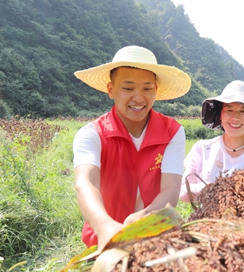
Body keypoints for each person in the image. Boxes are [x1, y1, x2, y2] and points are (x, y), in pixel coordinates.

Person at [72, 45, 191, 250]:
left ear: (156, 90)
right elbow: (85, 184)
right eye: (128, 88)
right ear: (111, 90)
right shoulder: (92, 134)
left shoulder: (173, 132)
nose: (138, 97)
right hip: (104, 241)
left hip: (153, 236)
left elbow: (171, 189)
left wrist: (143, 218)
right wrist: (105, 227)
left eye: (147, 88)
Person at [180, 80, 244, 202]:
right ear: (220, 115)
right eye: (229, 110)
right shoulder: (202, 149)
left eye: (243, 111)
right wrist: (233, 190)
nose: (235, 117)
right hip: (205, 220)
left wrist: (207, 188)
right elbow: (184, 193)